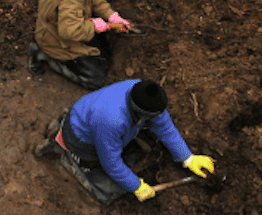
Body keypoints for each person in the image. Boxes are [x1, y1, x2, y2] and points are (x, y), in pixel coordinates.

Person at [34, 79, 216, 204]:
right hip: (80, 137)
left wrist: (188, 158)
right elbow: (110, 162)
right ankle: (67, 153)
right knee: (103, 174)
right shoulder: (111, 120)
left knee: (130, 148)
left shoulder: (143, 92)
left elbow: (164, 127)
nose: (159, 118)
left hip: (94, 120)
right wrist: (136, 186)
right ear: (141, 113)